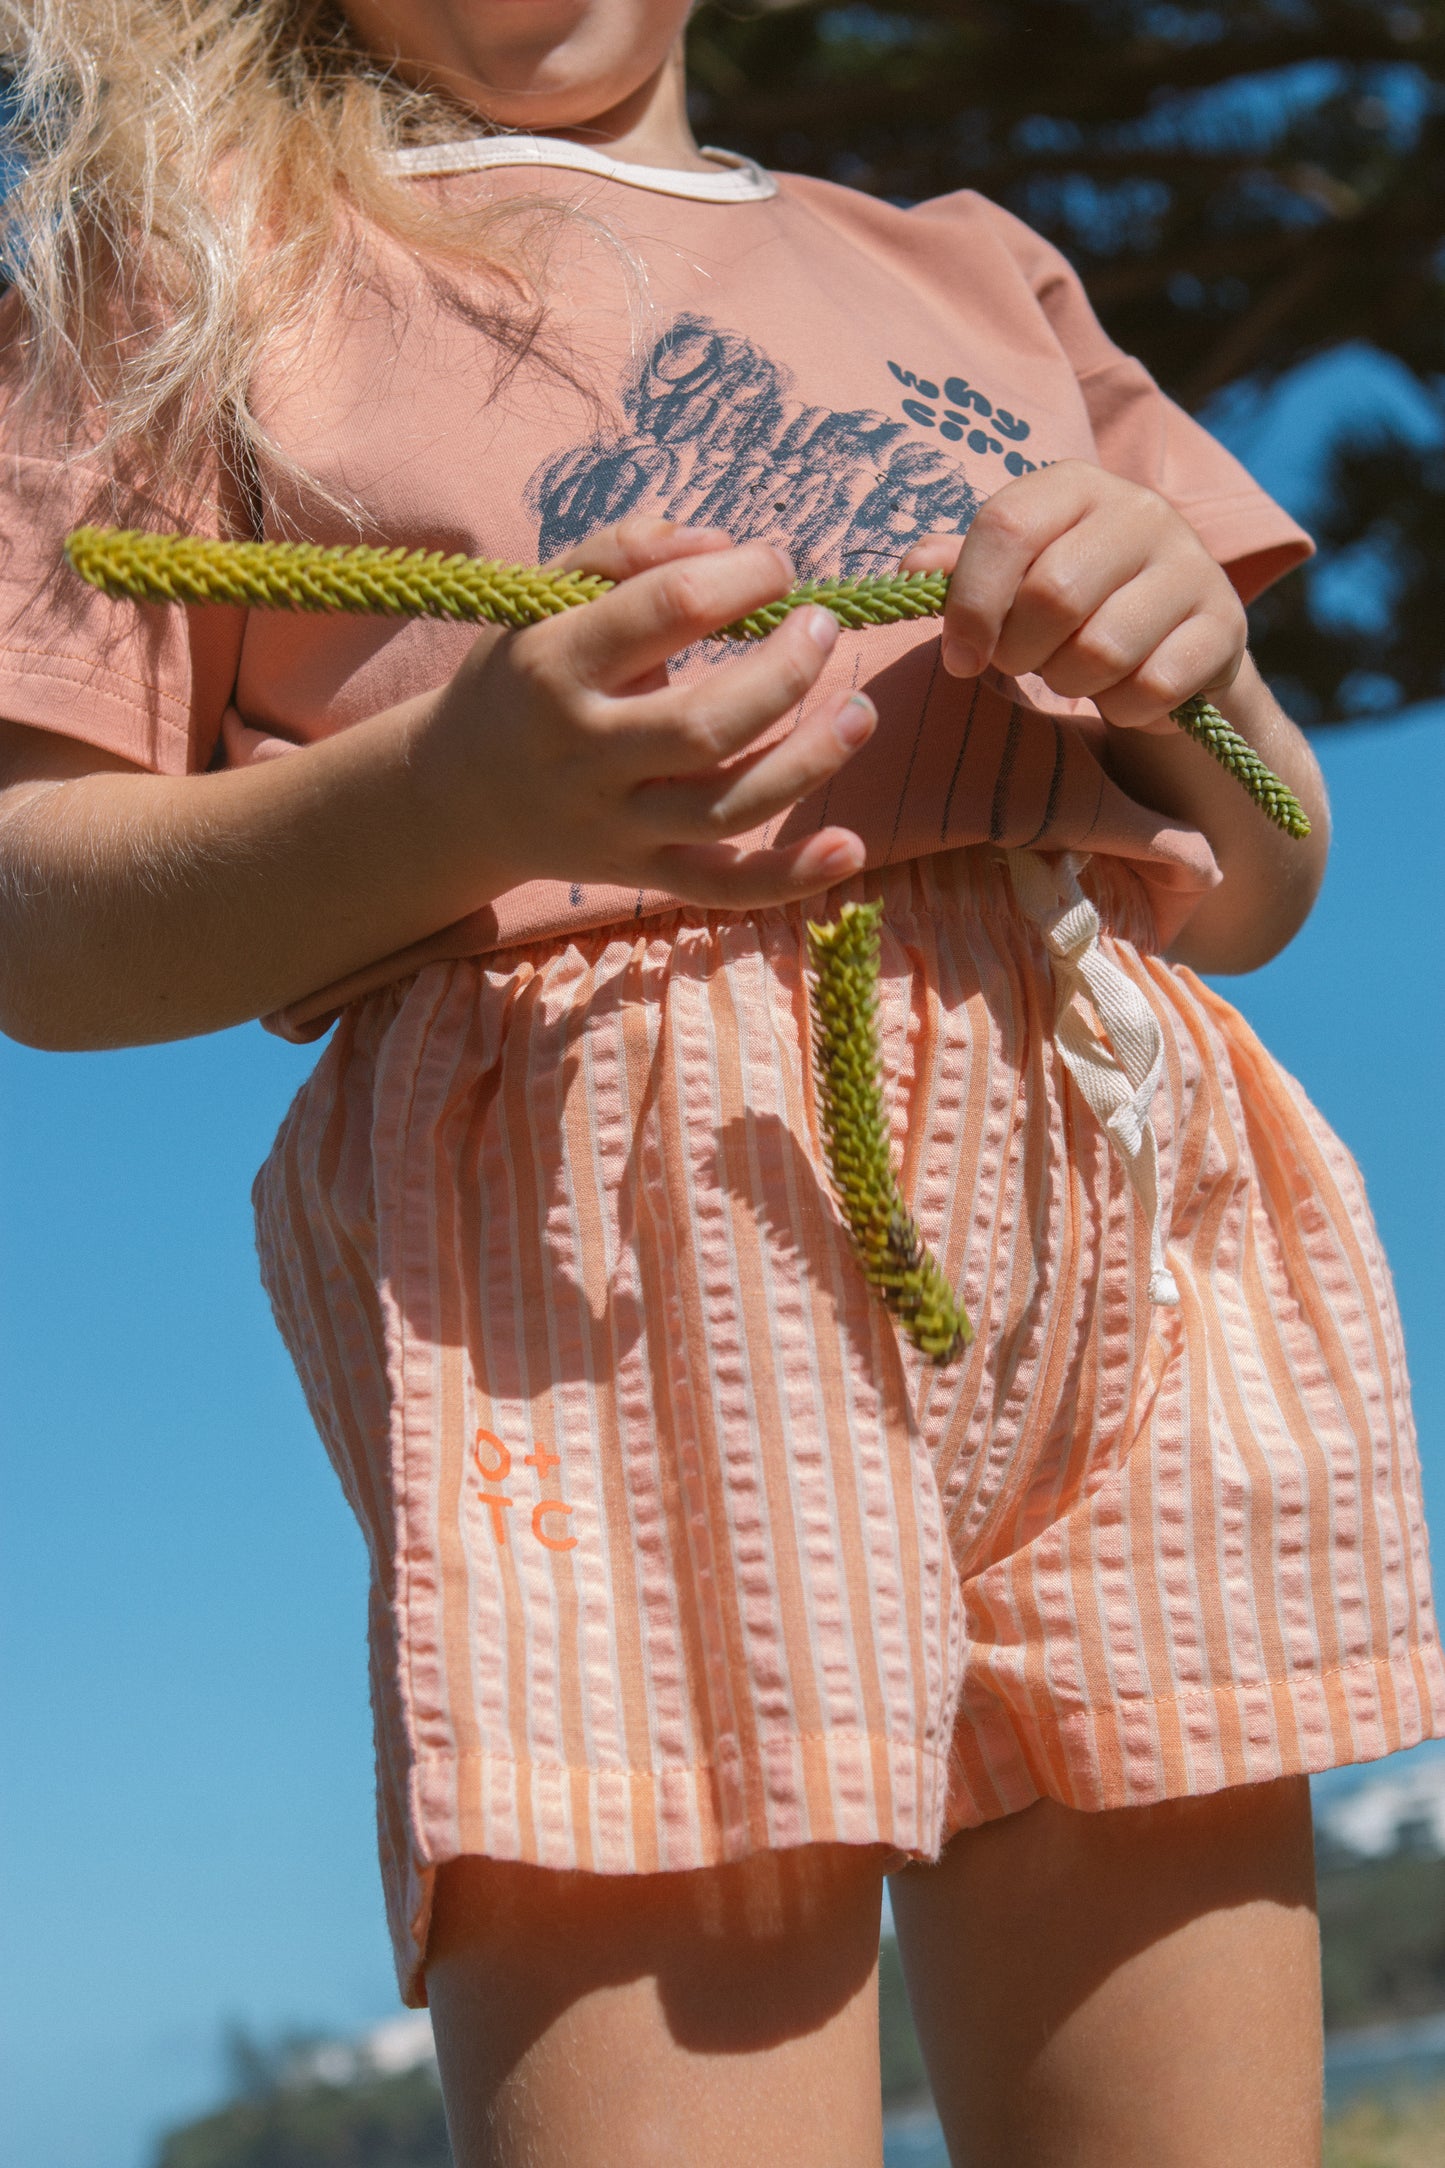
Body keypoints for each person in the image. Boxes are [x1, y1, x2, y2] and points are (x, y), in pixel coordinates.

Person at [0, 2, 1438, 2161]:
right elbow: (38, 915)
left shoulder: (973, 270)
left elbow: (1256, 869)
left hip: (1115, 1251)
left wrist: (1194, 665)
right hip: (612, 1292)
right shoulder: (183, 261)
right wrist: (456, 794)